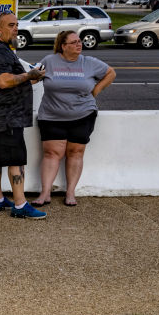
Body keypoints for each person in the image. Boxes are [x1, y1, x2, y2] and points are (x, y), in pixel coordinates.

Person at [31, 30, 116, 207]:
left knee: (75, 153)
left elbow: (111, 73)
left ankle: (70, 192)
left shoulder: (89, 62)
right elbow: (32, 78)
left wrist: (95, 91)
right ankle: (45, 193)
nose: (79, 44)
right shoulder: (49, 61)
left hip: (83, 115)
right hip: (52, 116)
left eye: (79, 41)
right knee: (51, 153)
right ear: (63, 46)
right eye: (74, 42)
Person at [0, 12, 47, 219]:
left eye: (17, 24)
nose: (16, 28)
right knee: (16, 160)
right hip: (7, 116)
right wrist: (29, 75)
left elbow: (11, 80)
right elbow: (3, 81)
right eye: (11, 25)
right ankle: (20, 204)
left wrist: (32, 78)